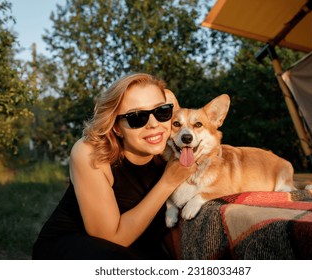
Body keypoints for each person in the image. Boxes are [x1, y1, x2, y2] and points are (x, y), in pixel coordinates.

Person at [32, 73, 196, 259]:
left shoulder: (174, 152)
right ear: (116, 127)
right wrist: (167, 182)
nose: (154, 124)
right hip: (76, 250)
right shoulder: (90, 152)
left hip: (137, 250)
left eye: (162, 112)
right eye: (137, 117)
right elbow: (111, 238)